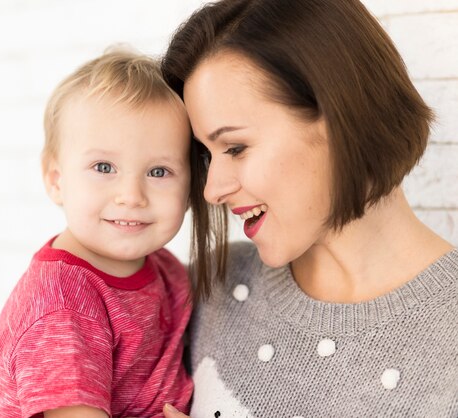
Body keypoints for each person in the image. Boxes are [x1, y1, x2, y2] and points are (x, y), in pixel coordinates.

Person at [158, 0, 458, 417]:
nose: (213, 190)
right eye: (208, 156)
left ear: (340, 115)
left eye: (236, 147)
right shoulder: (206, 291)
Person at [0, 49, 194, 418]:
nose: (131, 196)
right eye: (104, 167)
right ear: (56, 180)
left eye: (159, 172)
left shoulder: (166, 269)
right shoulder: (61, 303)